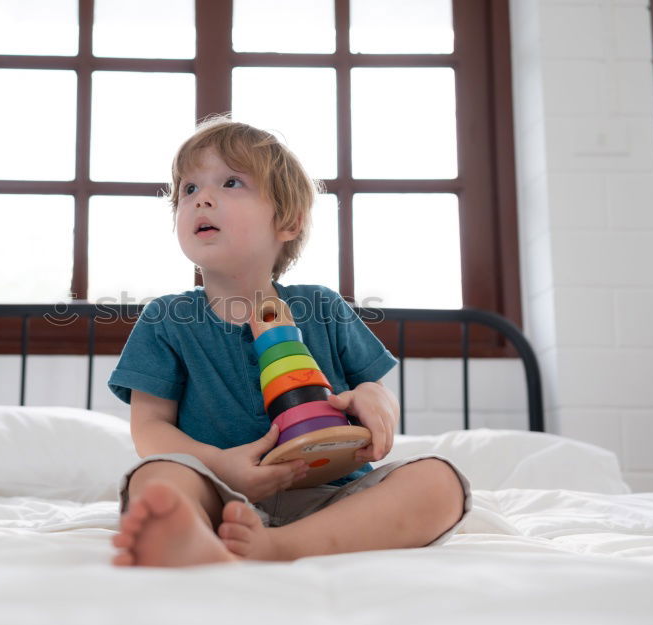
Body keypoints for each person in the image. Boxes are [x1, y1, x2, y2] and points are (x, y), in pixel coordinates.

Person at [107, 116, 471, 567]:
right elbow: (150, 430)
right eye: (187, 189)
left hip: (336, 496)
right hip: (220, 494)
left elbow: (372, 387)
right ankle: (186, 534)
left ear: (288, 222)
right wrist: (222, 465)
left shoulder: (322, 306)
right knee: (157, 477)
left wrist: (377, 402)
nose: (201, 198)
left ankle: (282, 546)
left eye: (231, 182)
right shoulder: (166, 319)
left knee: (440, 482)